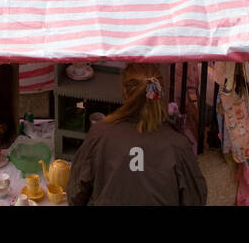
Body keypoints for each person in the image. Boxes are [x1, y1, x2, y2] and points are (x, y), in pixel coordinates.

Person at [68, 63, 207, 206]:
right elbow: (196, 198)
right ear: (160, 92)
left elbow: (75, 192)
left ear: (125, 91)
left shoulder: (99, 134)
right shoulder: (178, 146)